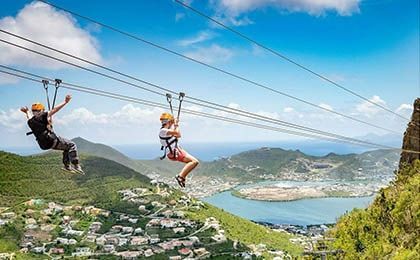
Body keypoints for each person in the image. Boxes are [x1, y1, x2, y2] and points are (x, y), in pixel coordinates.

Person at [20, 94, 84, 174]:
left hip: (44, 145)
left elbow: (29, 117)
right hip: (52, 141)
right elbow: (55, 110)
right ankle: (76, 165)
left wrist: (26, 111)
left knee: (66, 148)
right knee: (72, 145)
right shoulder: (43, 116)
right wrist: (65, 102)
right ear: (41, 110)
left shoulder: (30, 122)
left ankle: (67, 165)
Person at [159, 112, 199, 187]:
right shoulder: (163, 131)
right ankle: (181, 176)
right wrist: (176, 124)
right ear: (169, 122)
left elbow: (176, 134)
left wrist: (174, 124)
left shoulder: (166, 131)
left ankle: (182, 177)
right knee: (194, 161)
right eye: (171, 122)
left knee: (193, 162)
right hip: (175, 152)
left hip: (175, 152)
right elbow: (178, 134)